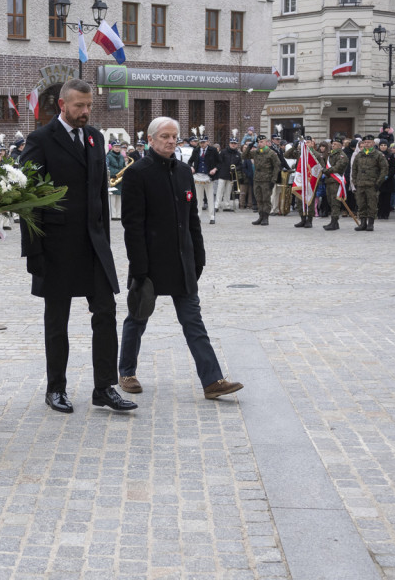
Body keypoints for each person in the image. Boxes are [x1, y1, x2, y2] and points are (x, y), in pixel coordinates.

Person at [19, 78, 137, 414]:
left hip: (92, 246)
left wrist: (106, 243)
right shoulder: (40, 140)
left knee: (106, 312)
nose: (85, 112)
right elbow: (28, 199)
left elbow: (100, 192)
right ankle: (56, 388)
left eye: (88, 106)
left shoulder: (95, 137)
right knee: (57, 320)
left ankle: (104, 388)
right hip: (55, 246)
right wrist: (34, 253)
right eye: (78, 106)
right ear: (62, 105)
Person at [117, 116, 244, 400]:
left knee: (194, 323)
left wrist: (199, 257)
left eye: (174, 136)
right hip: (149, 261)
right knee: (137, 319)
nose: (171, 141)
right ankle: (126, 372)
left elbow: (192, 221)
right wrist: (138, 267)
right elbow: (132, 225)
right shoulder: (137, 172)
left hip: (182, 261)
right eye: (164, 136)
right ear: (150, 140)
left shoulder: (185, 171)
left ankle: (212, 381)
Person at [351, 135, 389, 231]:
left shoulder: (378, 155)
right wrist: (354, 181)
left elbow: (384, 169)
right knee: (361, 204)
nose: (367, 144)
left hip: (372, 184)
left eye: (369, 142)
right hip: (360, 184)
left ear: (373, 143)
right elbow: (354, 169)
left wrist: (378, 182)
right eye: (365, 142)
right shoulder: (359, 155)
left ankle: (370, 223)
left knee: (372, 204)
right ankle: (363, 223)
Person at [244, 135, 280, 225]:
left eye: (261, 142)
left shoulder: (271, 153)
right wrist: (249, 146)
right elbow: (243, 156)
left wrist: (273, 179)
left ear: (266, 142)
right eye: (258, 142)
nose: (260, 144)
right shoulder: (256, 152)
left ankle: (265, 218)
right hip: (257, 179)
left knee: (266, 199)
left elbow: (277, 166)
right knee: (259, 199)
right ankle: (260, 217)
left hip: (267, 180)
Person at [214, 137, 241, 220]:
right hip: (222, 174)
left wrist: (235, 168)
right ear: (229, 144)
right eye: (232, 143)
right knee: (219, 191)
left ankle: (227, 205)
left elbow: (240, 165)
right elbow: (219, 162)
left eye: (235, 143)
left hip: (231, 175)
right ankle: (216, 206)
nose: (233, 145)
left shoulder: (238, 154)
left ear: (237, 145)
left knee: (228, 191)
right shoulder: (223, 152)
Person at [106, 142, 126, 222]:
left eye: (118, 147)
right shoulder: (108, 156)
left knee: (119, 197)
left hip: (120, 178)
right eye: (115, 147)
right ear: (112, 148)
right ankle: (113, 215)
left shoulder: (121, 157)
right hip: (112, 178)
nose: (117, 148)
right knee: (113, 197)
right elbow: (107, 166)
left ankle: (118, 215)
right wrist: (112, 174)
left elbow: (124, 166)